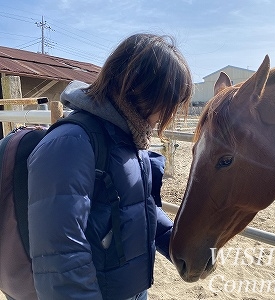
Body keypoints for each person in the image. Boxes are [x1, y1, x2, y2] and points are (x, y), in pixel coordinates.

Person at [27, 33, 193, 300]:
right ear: (142, 91)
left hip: (133, 288)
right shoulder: (71, 143)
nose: (168, 115)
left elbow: (141, 206)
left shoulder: (129, 138)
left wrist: (180, 244)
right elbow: (59, 257)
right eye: (167, 103)